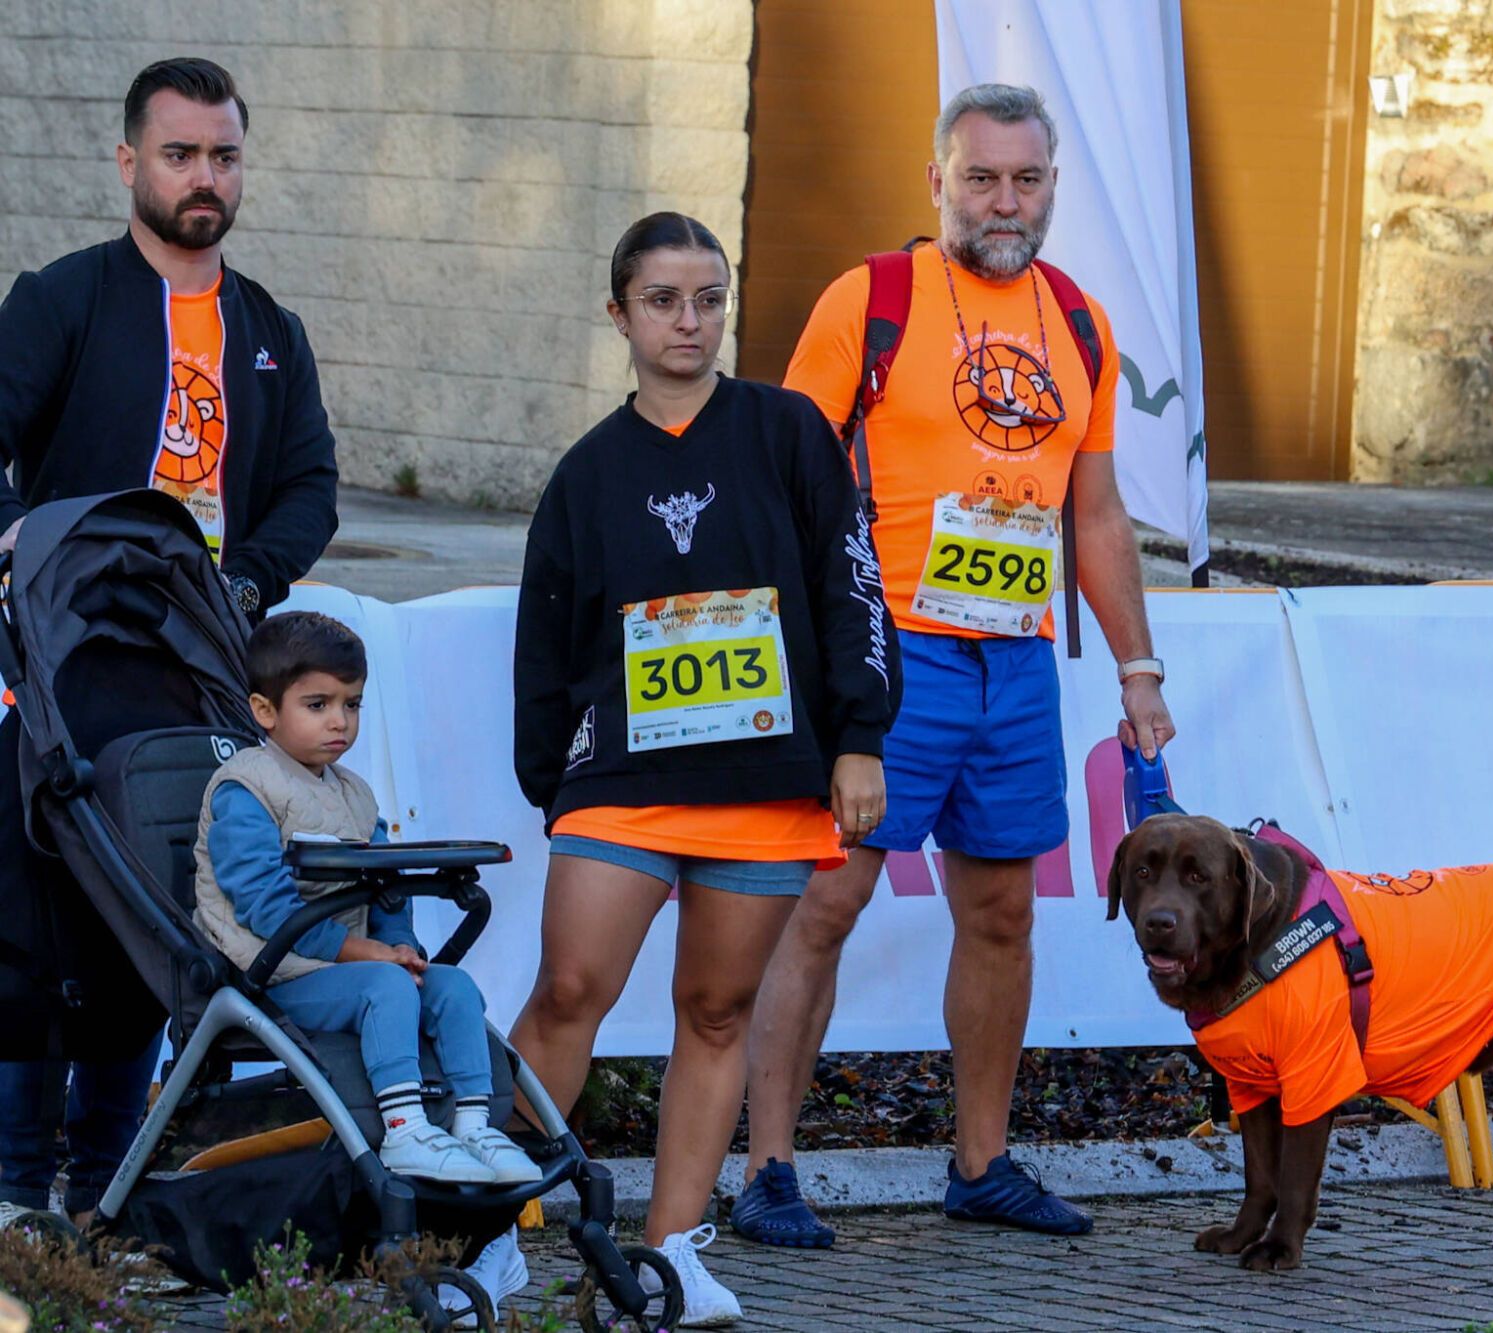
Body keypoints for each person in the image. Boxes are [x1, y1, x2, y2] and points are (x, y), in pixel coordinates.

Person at [736, 82, 1175, 1246]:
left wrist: (1138, 669)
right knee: (824, 902)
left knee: (1000, 917)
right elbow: (782, 480)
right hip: (888, 651)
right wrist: (820, 658)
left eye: (1025, 180)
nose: (1003, 201)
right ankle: (766, 1170)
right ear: (936, 181)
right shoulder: (870, 300)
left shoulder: (1079, 319)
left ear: (1051, 188)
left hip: (1017, 659)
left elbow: (1096, 513)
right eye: (979, 177)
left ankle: (980, 1162)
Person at [501, 211, 898, 1327]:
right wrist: (551, 776)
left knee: (716, 1011)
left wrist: (857, 735)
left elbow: (851, 586)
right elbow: (545, 637)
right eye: (664, 300)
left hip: (768, 783)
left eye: (709, 298)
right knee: (569, 992)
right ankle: (484, 1230)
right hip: (621, 783)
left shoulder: (786, 433)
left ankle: (671, 1251)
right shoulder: (585, 473)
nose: (690, 321)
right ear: (617, 312)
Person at [0, 57, 339, 1226]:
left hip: (193, 689)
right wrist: (19, 546)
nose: (204, 178)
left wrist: (241, 585)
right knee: (33, 939)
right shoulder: (60, 299)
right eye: (181, 154)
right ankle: (11, 1200)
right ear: (129, 160)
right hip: (58, 679)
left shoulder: (268, 329)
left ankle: (107, 1196)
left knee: (152, 934)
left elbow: (309, 486)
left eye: (224, 156)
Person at [193, 612, 540, 1187]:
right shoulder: (246, 788)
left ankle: (473, 1124)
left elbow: (388, 889)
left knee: (452, 986)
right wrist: (367, 954)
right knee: (386, 986)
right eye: (319, 704)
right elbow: (263, 906)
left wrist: (399, 944)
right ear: (265, 711)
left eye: (352, 705)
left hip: (348, 962)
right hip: (276, 972)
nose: (340, 721)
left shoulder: (356, 794)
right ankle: (404, 1128)